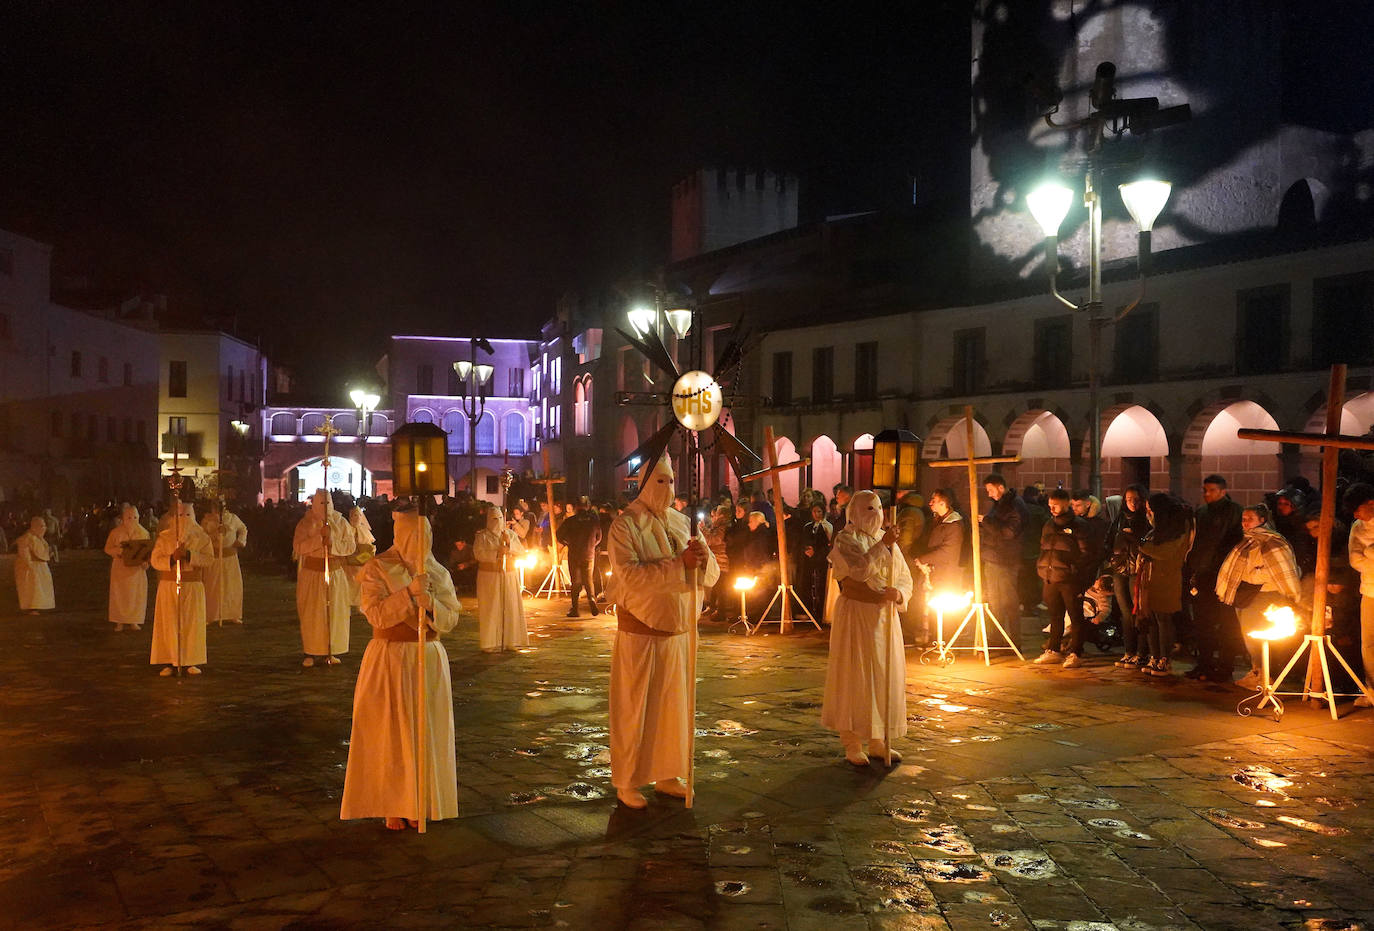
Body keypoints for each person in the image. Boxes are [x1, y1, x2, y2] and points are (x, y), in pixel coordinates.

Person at [606, 454, 719, 809]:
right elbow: (631, 576)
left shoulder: (683, 522)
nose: (667, 488)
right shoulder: (624, 527)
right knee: (635, 710)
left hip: (680, 632)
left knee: (673, 711)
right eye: (659, 481)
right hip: (642, 632)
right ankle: (628, 780)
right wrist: (677, 565)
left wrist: (703, 558)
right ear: (642, 484)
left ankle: (668, 774)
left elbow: (710, 575)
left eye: (671, 481)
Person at [340, 506, 462, 830]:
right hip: (391, 657)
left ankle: (420, 799)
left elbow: (451, 618)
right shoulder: (378, 567)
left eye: (426, 535)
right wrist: (408, 594)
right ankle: (393, 802)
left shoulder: (438, 572)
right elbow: (376, 615)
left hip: (428, 655)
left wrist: (431, 604)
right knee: (391, 731)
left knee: (424, 729)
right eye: (413, 536)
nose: (420, 542)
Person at [821, 490, 913, 766]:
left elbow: (905, 576)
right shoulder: (845, 539)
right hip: (857, 617)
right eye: (869, 509)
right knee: (855, 675)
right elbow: (859, 571)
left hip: (884, 618)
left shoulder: (884, 541)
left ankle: (878, 739)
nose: (875, 514)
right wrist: (882, 546)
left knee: (883, 676)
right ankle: (852, 741)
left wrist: (898, 594)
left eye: (878, 508)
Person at [1215, 504, 1302, 690]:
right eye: (1243, 519)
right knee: (1249, 636)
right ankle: (1257, 671)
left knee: (1257, 635)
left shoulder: (1272, 542)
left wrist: (1250, 575)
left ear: (1262, 520)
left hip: (1265, 596)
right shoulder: (1248, 540)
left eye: (1250, 519)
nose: (1245, 523)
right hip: (1248, 595)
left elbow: (1280, 570)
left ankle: (1263, 674)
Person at [1187, 475, 1244, 682]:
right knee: (1203, 621)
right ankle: (1204, 663)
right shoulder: (1201, 512)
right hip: (1204, 573)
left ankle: (1225, 666)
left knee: (1226, 622)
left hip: (1225, 574)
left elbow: (1233, 541)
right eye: (1205, 490)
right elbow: (1197, 542)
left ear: (1222, 491)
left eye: (1211, 490)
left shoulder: (1234, 511)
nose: (1206, 494)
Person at [293, 489, 357, 667]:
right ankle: (311, 652)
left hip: (334, 574)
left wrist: (333, 543)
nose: (325, 507)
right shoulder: (305, 523)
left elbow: (350, 545)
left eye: (328, 503)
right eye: (321, 503)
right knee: (313, 614)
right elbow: (299, 547)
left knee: (334, 613)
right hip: (312, 575)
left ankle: (332, 649)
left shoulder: (341, 522)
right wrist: (318, 540)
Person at [149, 501, 213, 676]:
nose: (184, 520)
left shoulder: (202, 537)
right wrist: (171, 558)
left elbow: (209, 559)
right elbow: (155, 560)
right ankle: (169, 659)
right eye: (180, 516)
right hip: (169, 586)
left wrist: (190, 555)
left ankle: (190, 659)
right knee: (169, 622)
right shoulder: (165, 537)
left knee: (191, 623)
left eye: (187, 515)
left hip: (192, 586)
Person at [1032, 489, 1092, 667]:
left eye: (1055, 505)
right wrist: (1042, 567)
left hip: (1069, 579)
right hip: (1050, 577)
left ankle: (1075, 652)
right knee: (1054, 615)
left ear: (1066, 504)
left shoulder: (1079, 525)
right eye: (1050, 505)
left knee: (1075, 616)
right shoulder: (1049, 524)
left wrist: (1074, 569)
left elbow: (1087, 552)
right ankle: (1054, 650)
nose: (1052, 509)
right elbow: (1043, 547)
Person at [1136, 493, 1194, 678]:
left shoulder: (1178, 528)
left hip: (1167, 577)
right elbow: (1146, 541)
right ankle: (1155, 656)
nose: (1148, 513)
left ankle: (1165, 659)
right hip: (1151, 576)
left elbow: (1165, 552)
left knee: (1163, 618)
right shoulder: (1157, 529)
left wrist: (1142, 547)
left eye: (1150, 509)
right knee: (1150, 617)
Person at [1108, 485, 1151, 670]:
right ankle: (1129, 651)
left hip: (1137, 570)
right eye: (1128, 499)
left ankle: (1142, 652)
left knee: (1139, 612)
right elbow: (1109, 539)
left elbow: (1147, 542)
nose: (1132, 503)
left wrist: (1133, 537)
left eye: (1135, 499)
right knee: (1125, 612)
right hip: (1120, 569)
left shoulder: (1146, 519)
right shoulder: (1120, 518)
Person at [473, 506, 527, 651]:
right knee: (491, 608)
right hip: (489, 577)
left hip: (509, 575)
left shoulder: (509, 534)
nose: (497, 522)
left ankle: (511, 640)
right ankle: (491, 642)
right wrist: (496, 554)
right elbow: (478, 554)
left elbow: (521, 552)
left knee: (510, 606)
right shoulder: (482, 536)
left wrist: (509, 546)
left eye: (500, 518)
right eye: (494, 519)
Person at [980, 473, 1027, 639]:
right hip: (994, 558)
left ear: (1001, 487)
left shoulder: (1014, 505)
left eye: (991, 490)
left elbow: (1008, 532)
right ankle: (997, 639)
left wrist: (986, 521)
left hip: (1005, 560)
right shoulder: (1000, 504)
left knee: (1008, 602)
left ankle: (1013, 640)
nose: (989, 494)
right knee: (995, 602)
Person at [1342, 483, 1374, 708]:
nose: (1356, 514)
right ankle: (1371, 689)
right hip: (1370, 590)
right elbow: (1355, 560)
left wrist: (1370, 552)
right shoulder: (1357, 527)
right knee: (1369, 644)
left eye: (1358, 508)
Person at [201, 500, 249, 626]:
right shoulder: (207, 521)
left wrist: (239, 541)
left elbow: (243, 528)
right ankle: (211, 615)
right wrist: (216, 534)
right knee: (213, 585)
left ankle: (233, 613)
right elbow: (202, 536)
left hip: (230, 557)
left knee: (231, 585)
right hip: (215, 558)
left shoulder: (232, 518)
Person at [103, 504, 150, 631]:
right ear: (123, 518)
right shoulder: (116, 533)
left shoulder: (143, 532)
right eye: (129, 517)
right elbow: (107, 548)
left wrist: (146, 562)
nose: (132, 520)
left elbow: (146, 550)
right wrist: (119, 551)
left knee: (135, 595)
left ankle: (134, 620)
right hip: (120, 569)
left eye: (135, 517)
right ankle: (119, 621)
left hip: (136, 571)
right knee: (119, 595)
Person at [558, 496, 602, 618]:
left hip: (574, 554)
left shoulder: (570, 521)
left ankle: (575, 608)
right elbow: (599, 537)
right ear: (587, 506)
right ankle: (592, 601)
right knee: (588, 580)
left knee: (575, 582)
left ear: (576, 507)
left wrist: (568, 543)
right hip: (589, 554)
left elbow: (559, 535)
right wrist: (591, 545)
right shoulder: (594, 521)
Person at [15, 516, 55, 615]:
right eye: (41, 526)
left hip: (40, 567)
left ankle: (40, 605)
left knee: (40, 588)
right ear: (34, 527)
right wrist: (30, 565)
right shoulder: (27, 538)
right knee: (33, 588)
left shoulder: (40, 539)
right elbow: (24, 554)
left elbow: (42, 552)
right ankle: (32, 608)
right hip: (30, 568)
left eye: (44, 526)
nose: (44, 528)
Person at [341, 504, 377, 609]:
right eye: (355, 515)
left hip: (361, 563)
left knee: (360, 583)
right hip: (349, 563)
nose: (357, 518)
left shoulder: (364, 531)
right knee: (349, 582)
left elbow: (369, 546)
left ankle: (359, 602)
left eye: (359, 516)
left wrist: (369, 552)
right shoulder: (346, 530)